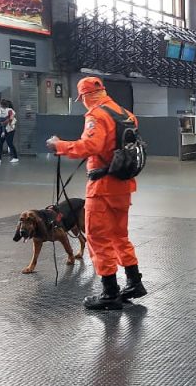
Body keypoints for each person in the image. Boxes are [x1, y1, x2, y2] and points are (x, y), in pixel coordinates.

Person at [47, 77, 146, 310]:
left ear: (85, 96)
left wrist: (59, 146)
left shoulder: (96, 115)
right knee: (119, 235)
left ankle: (110, 293)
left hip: (102, 187)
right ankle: (134, 282)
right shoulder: (126, 115)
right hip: (124, 185)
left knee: (98, 238)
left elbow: (90, 146)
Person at [0, 99, 19, 163]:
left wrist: (5, 122)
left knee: (9, 143)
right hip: (1, 128)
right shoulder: (1, 111)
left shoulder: (10, 111)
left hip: (9, 129)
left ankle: (15, 157)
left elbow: (11, 118)